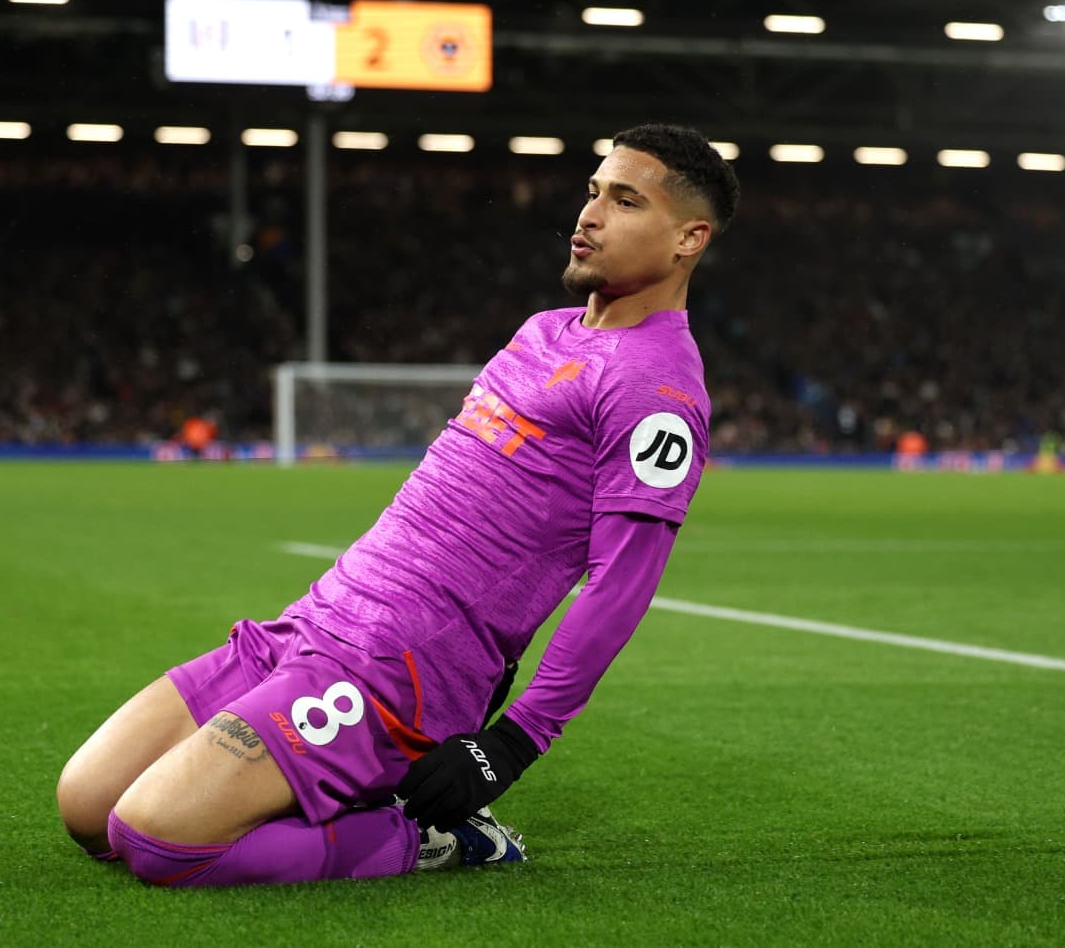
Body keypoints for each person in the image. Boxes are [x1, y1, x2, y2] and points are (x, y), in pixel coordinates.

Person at [56, 123, 740, 886]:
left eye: (625, 200)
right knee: (88, 807)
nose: (589, 216)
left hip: (396, 667)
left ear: (689, 238)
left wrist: (512, 742)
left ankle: (424, 837)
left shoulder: (659, 387)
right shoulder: (545, 331)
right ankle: (325, 795)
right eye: (591, 192)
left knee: (158, 842)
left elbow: (622, 584)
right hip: (314, 621)